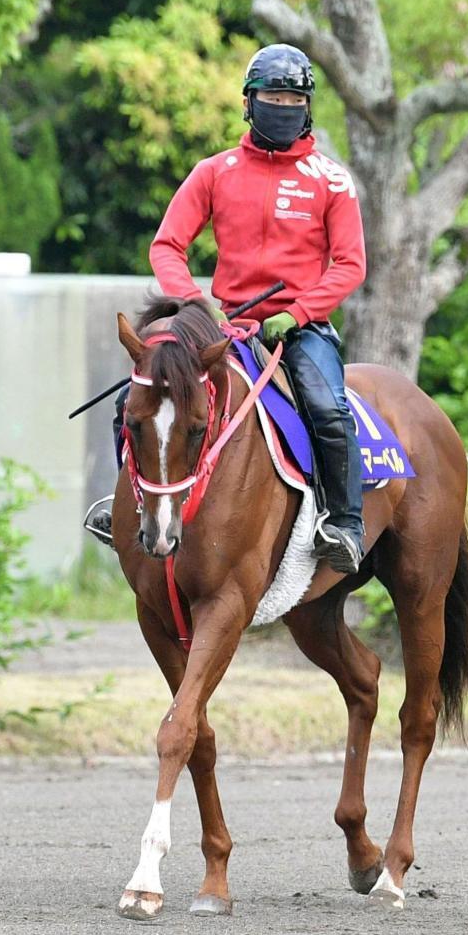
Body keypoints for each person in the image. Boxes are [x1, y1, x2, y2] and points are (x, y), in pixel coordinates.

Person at [90, 43, 367, 574]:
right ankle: (123, 504)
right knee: (134, 397)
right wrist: (197, 305)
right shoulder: (214, 172)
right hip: (224, 327)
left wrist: (299, 313)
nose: (282, 108)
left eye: (293, 100)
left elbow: (351, 265)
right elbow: (167, 246)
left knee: (328, 408)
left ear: (308, 107)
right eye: (272, 98)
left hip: (298, 330)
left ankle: (344, 524)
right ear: (248, 103)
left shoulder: (331, 179)